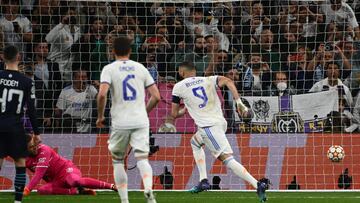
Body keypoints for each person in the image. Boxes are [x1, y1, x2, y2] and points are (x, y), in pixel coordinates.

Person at [171, 61, 269, 202]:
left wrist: (184, 110)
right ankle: (203, 180)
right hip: (220, 122)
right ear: (194, 71)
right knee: (195, 142)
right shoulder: (208, 79)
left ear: (181, 72)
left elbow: (174, 114)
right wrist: (239, 102)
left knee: (227, 159)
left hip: (208, 127)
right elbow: (228, 81)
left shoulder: (178, 87)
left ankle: (257, 184)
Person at [96, 36, 160, 203]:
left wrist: (100, 116)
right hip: (140, 120)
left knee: (118, 160)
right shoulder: (140, 68)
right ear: (130, 51)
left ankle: (124, 200)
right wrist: (144, 111)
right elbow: (156, 97)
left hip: (120, 121)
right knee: (142, 158)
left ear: (113, 51)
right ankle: (148, 189)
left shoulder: (109, 69)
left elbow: (102, 94)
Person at [0, 45, 40, 203]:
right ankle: (17, 201)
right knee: (20, 163)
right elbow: (31, 110)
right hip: (16, 127)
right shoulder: (26, 81)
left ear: (3, 57)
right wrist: (36, 133)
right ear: (19, 58)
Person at [24, 135, 117, 196]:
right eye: (31, 147)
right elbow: (20, 172)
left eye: (35, 144)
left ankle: (112, 186)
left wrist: (28, 189)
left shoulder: (44, 150)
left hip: (66, 170)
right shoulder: (24, 159)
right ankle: (78, 191)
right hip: (56, 181)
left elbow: (39, 174)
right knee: (42, 190)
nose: (35, 147)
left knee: (74, 181)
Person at [55, 69, 98, 133]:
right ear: (74, 78)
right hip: (69, 129)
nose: (83, 79)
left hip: (85, 130)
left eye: (85, 77)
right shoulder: (65, 91)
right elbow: (58, 111)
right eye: (80, 77)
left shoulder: (91, 89)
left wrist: (99, 86)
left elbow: (101, 100)